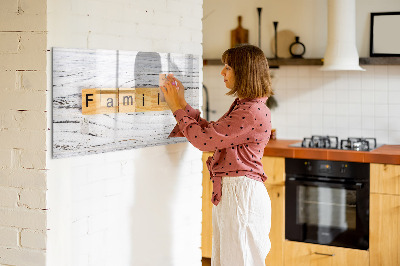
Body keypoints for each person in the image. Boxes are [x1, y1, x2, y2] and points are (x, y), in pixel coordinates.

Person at [161, 44, 273, 266]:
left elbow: (204, 141)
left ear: (244, 72)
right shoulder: (246, 106)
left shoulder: (250, 111)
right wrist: (182, 103)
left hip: (241, 195)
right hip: (236, 193)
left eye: (228, 67)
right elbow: (212, 133)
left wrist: (176, 108)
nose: (222, 72)